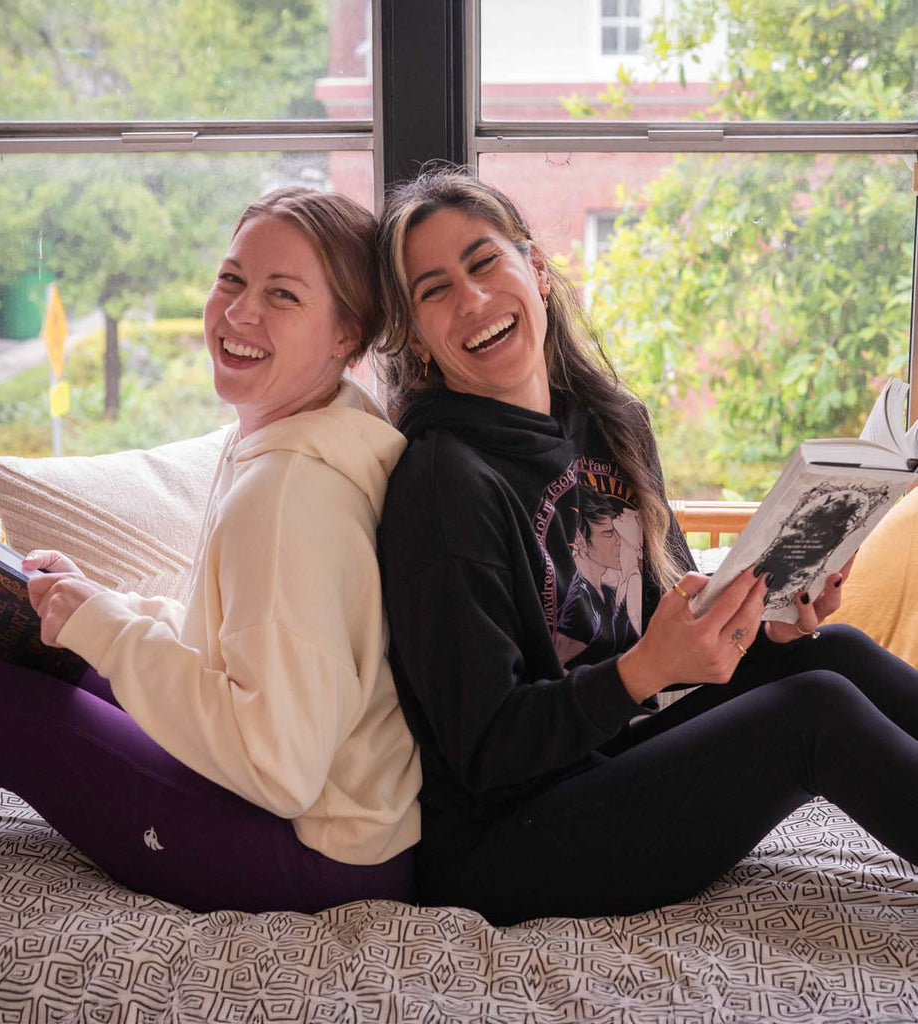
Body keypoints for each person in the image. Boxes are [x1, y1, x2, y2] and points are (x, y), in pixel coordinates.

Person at [374, 165, 918, 927]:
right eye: (432, 290)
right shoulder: (442, 486)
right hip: (509, 836)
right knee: (812, 710)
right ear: (418, 340)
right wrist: (643, 670)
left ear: (534, 269)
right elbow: (487, 750)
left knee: (832, 653)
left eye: (483, 261)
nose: (470, 300)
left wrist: (767, 616)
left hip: (611, 755)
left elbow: (663, 624)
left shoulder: (602, 420)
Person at [0, 187, 420, 914]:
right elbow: (234, 645)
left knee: (3, 711)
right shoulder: (301, 432)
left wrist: (109, 631)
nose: (239, 312)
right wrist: (100, 607)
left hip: (315, 852)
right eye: (232, 278)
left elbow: (278, 765)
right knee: (24, 649)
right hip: (324, 820)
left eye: (281, 295)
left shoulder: (289, 494)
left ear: (346, 334)